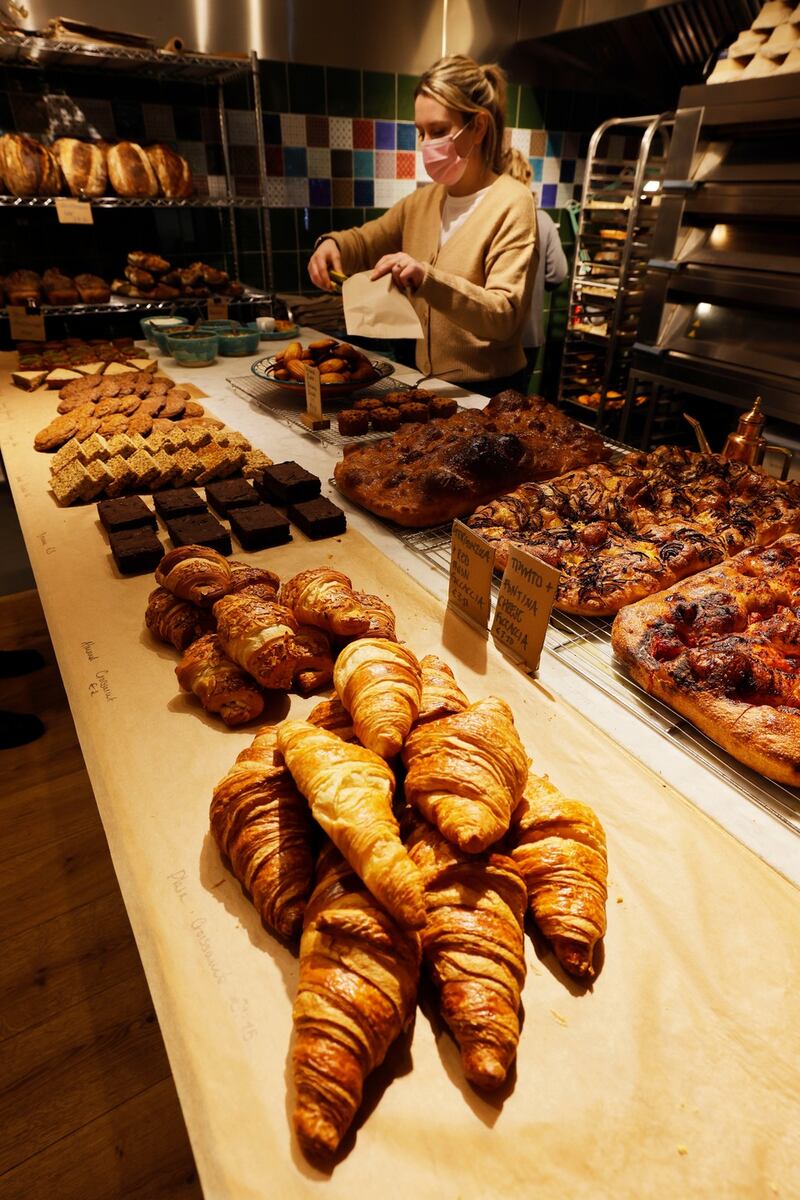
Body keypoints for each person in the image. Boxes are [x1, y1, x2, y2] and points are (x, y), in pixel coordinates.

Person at [308, 55, 537, 397]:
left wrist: (427, 279)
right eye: (421, 132)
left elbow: (504, 316)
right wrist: (333, 245)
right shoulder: (423, 202)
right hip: (430, 385)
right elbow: (366, 239)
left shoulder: (512, 202)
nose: (427, 143)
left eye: (439, 131)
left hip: (490, 393)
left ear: (478, 127)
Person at [506, 148, 568, 380]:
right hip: (529, 336)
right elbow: (558, 274)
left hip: (489, 340)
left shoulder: (486, 219)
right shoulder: (543, 219)